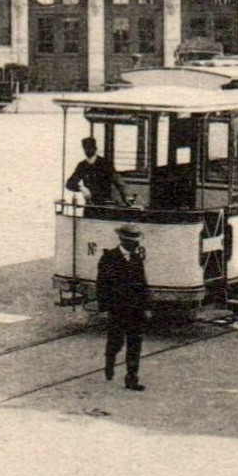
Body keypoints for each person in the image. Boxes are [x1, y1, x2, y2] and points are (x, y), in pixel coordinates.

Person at [97, 223, 151, 391]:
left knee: (135, 344)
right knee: (116, 342)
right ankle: (109, 364)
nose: (135, 244)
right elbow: (102, 285)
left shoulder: (136, 258)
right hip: (117, 310)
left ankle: (131, 378)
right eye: (130, 241)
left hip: (136, 310)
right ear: (121, 240)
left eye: (136, 241)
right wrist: (105, 308)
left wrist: (146, 307)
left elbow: (143, 284)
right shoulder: (109, 257)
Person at [65, 136, 131, 206]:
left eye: (90, 147)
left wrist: (126, 196)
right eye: (85, 148)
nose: (88, 150)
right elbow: (69, 184)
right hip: (90, 204)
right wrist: (82, 188)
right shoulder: (82, 166)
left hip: (105, 205)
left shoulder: (105, 164)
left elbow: (119, 182)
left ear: (95, 148)